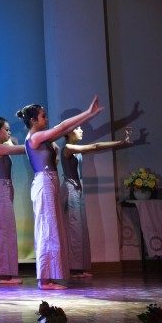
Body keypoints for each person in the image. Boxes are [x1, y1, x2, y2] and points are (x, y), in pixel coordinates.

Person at [17, 96, 104, 290]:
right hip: (44, 183)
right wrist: (88, 112)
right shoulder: (34, 138)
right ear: (33, 120)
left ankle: (51, 277)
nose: (46, 119)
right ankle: (45, 280)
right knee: (47, 230)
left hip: (50, 183)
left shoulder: (43, 138)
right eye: (43, 116)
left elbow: (65, 129)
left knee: (53, 229)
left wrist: (89, 116)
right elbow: (63, 126)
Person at [61, 125, 133, 279]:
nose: (81, 131)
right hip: (71, 189)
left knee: (81, 229)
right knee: (74, 229)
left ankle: (80, 267)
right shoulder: (67, 148)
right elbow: (95, 146)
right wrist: (120, 142)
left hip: (78, 188)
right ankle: (73, 268)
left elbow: (95, 145)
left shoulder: (74, 148)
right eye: (78, 128)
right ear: (68, 132)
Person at [0, 116, 28, 285]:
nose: (9, 132)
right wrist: (37, 141)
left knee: (7, 231)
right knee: (3, 231)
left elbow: (13, 142)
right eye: (6, 129)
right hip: (1, 191)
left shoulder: (1, 146)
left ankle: (7, 273)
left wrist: (11, 139)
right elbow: (21, 149)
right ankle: (3, 275)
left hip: (5, 190)